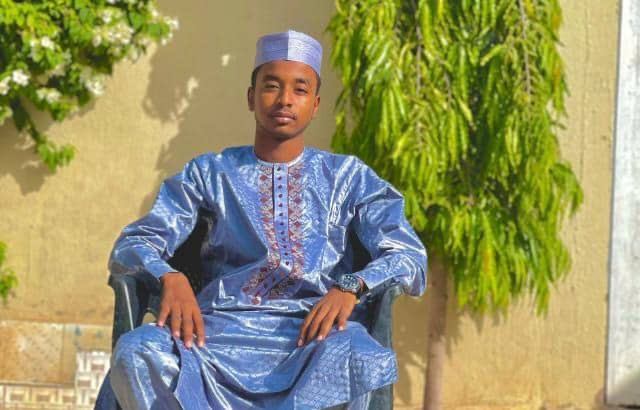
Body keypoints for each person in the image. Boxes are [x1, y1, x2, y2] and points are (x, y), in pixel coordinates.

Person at [96, 29, 427, 410]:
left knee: (362, 357)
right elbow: (133, 244)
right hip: (213, 337)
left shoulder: (348, 178)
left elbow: (408, 256)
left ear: (315, 104)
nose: (285, 99)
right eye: (272, 86)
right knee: (135, 352)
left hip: (311, 340)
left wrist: (351, 285)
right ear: (251, 97)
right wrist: (169, 276)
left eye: (300, 89)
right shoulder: (209, 173)